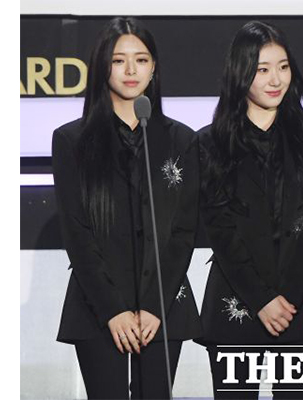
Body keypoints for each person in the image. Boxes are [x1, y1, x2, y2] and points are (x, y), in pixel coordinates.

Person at [52, 17, 201, 399]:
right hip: (97, 307)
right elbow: (77, 233)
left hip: (163, 306)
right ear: (102, 66)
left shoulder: (181, 140)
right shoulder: (72, 140)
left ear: (154, 68)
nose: (131, 70)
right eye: (119, 60)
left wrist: (154, 307)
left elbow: (183, 231)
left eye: (141, 59)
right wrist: (113, 310)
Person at [196, 20, 303, 399]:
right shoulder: (210, 144)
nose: (276, 79)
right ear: (240, 73)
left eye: (283, 67)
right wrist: (261, 299)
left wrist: (285, 299)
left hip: (300, 305)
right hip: (236, 302)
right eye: (262, 70)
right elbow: (220, 228)